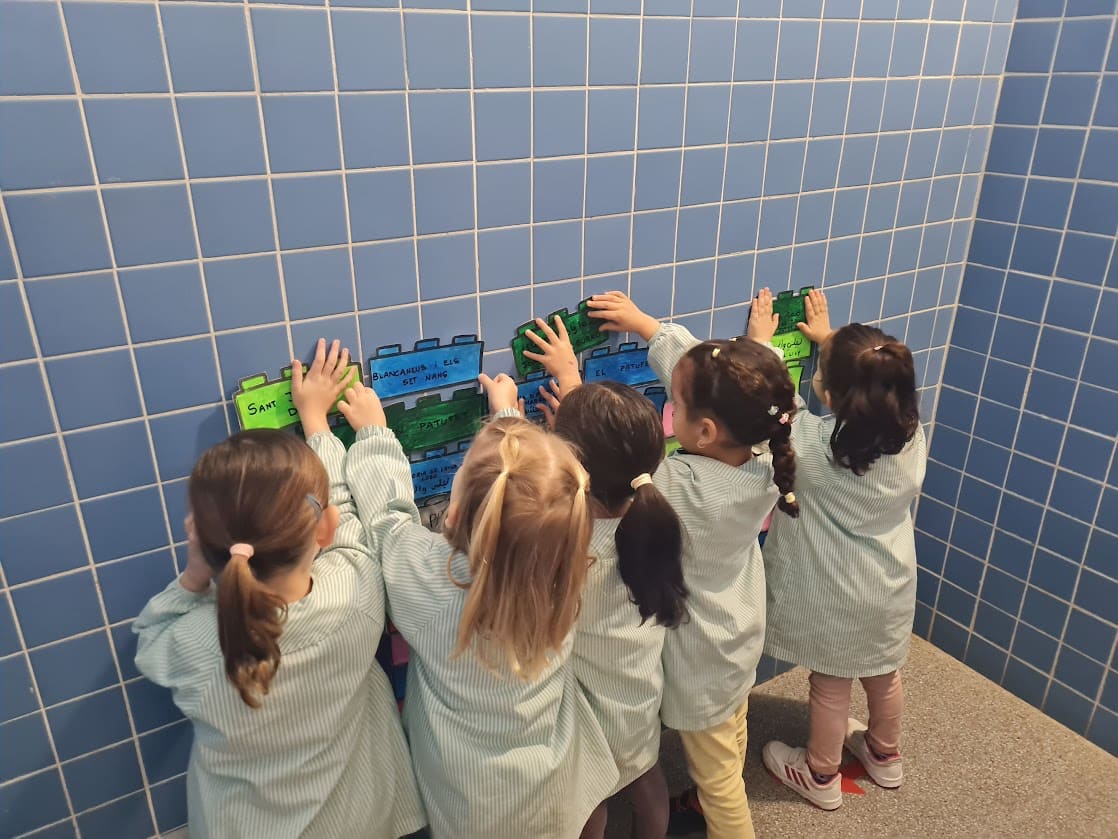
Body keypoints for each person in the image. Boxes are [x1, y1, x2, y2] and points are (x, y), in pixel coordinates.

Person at [134, 339, 425, 839]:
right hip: (357, 821)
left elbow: (151, 642)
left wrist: (194, 576)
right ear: (323, 528)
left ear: (202, 540)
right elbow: (345, 517)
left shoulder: (197, 644)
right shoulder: (353, 596)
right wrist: (316, 421)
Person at [342, 370, 618, 839]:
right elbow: (530, 498)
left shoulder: (432, 582)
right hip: (548, 784)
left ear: (451, 515)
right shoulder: (566, 572)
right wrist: (507, 418)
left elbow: (388, 523)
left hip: (469, 799)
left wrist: (373, 435)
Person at [587, 293, 799, 839]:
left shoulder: (684, 488)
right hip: (739, 631)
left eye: (673, 406)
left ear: (704, 431)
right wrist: (647, 325)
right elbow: (708, 378)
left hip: (704, 655)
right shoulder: (767, 451)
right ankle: (712, 799)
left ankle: (724, 818)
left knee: (719, 777)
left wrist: (572, 386)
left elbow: (617, 457)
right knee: (733, 725)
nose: (670, 409)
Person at [756, 288, 927, 811]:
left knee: (831, 686)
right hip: (890, 589)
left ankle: (820, 773)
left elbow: (776, 409)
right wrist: (834, 341)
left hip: (837, 598)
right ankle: (885, 754)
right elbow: (873, 377)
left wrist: (762, 347)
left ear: (829, 395)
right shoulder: (911, 436)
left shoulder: (811, 446)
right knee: (884, 673)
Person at [524, 317, 687, 839]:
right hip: (639, 697)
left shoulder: (573, 548)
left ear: (572, 465)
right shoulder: (659, 505)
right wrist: (573, 388)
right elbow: (615, 450)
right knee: (647, 782)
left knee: (590, 802)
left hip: (590, 715)